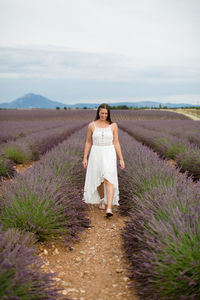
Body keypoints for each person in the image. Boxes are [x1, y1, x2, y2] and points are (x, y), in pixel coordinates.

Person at [82, 103, 125, 217]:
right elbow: (88, 142)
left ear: (108, 114)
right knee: (99, 180)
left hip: (109, 153)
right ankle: (102, 199)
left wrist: (121, 159)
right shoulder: (91, 125)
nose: (104, 115)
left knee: (108, 179)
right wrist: (85, 157)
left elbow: (116, 142)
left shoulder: (113, 126)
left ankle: (109, 207)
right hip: (96, 153)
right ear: (98, 113)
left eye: (106, 113)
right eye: (102, 113)